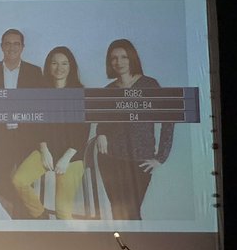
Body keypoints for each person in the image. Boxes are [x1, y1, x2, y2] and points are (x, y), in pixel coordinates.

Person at [95, 39, 174, 221]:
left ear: (132, 58)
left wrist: (161, 157)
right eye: (114, 58)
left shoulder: (149, 85)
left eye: (124, 57)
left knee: (132, 213)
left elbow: (168, 120)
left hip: (140, 159)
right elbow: (104, 121)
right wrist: (101, 133)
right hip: (110, 159)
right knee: (118, 212)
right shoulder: (108, 90)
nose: (119, 62)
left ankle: (135, 240)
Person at [11, 46, 89, 219]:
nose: (59, 68)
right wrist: (44, 150)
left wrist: (66, 158)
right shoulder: (41, 93)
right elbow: (37, 127)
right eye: (54, 63)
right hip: (47, 150)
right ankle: (41, 215)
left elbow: (82, 132)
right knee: (18, 181)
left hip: (72, 156)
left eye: (64, 63)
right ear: (48, 66)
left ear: (71, 67)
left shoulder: (80, 94)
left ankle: (62, 232)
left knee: (63, 212)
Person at [0, 28, 44, 212]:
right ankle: (4, 216)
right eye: (7, 43)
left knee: (24, 183)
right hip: (1, 136)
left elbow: (39, 105)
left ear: (22, 47)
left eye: (16, 44)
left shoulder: (34, 72)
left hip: (27, 137)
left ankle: (25, 217)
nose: (12, 47)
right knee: (0, 180)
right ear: (1, 46)